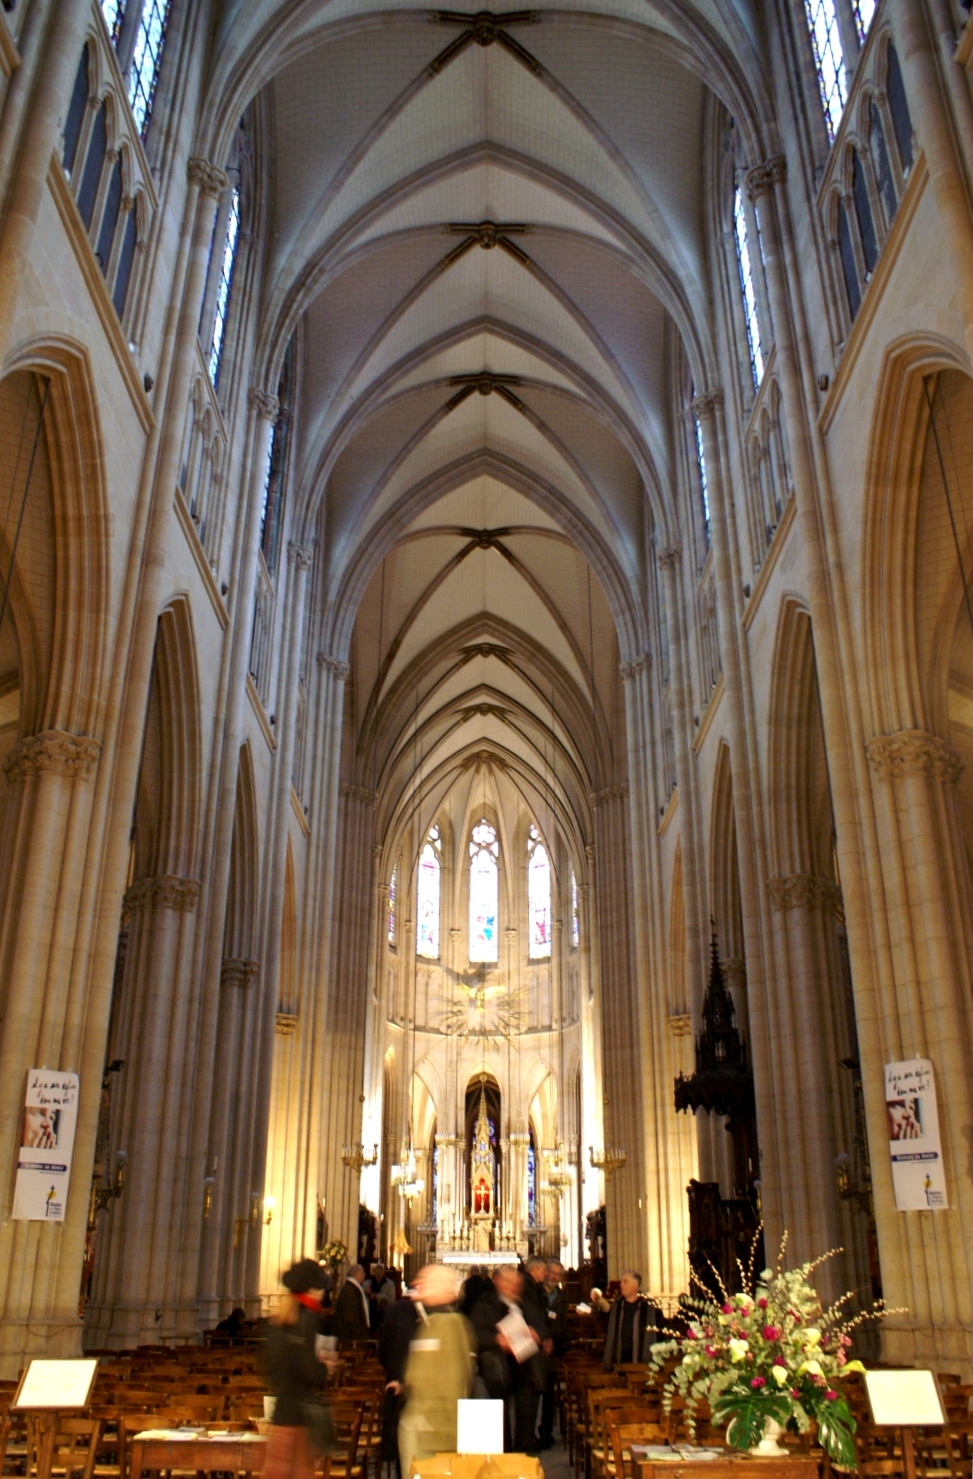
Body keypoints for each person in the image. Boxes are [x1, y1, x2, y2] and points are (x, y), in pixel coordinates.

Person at [263, 1258, 338, 1479]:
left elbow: (271, 1367)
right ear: (313, 1289)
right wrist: (325, 1368)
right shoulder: (308, 1319)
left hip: (281, 1414)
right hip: (301, 1417)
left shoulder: (277, 1322)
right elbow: (307, 1370)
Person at [397, 1264, 475, 1475]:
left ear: (442, 1288)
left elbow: (454, 1381)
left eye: (425, 1282)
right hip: (421, 1426)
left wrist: (444, 1433)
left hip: (432, 1430)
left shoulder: (449, 1324)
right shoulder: (432, 1321)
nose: (417, 1286)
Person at [471, 1266, 540, 1453]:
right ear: (498, 1282)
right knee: (500, 1421)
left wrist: (537, 1334)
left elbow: (542, 1328)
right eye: (508, 1282)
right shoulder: (485, 1304)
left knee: (526, 1417)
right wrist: (495, 1340)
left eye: (516, 1284)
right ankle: (503, 1456)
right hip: (498, 1371)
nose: (513, 1287)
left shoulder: (527, 1304)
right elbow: (474, 1334)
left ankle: (523, 1455)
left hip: (526, 1370)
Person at [377, 1283, 421, 1475]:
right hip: (411, 1389)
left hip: (398, 1381)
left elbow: (382, 1351)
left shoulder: (394, 1311)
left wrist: (394, 1370)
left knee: (399, 1438)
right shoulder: (431, 1313)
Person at [536, 1259, 569, 1448]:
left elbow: (563, 1327)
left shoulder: (562, 1298)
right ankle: (528, 1433)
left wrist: (556, 1345)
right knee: (531, 1394)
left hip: (552, 1353)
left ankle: (545, 1432)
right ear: (546, 1272)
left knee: (549, 1395)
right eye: (553, 1273)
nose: (555, 1277)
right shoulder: (534, 1292)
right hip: (534, 1350)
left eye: (559, 1274)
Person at [601, 1270, 663, 1370]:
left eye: (625, 1282)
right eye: (621, 1282)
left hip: (643, 1364)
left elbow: (660, 1334)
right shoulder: (616, 1306)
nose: (621, 1285)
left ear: (635, 1286)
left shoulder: (650, 1308)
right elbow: (609, 1332)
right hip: (620, 1362)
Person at [333, 1263, 371, 1343]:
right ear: (356, 1273)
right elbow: (351, 1317)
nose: (364, 1275)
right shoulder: (350, 1291)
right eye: (362, 1273)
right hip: (350, 1339)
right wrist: (359, 1337)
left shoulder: (352, 1289)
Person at [364, 1263, 396, 1330]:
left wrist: (377, 1296)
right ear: (374, 1273)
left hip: (383, 1314)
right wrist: (365, 1291)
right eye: (376, 1272)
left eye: (380, 1273)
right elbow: (361, 1293)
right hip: (370, 1313)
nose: (378, 1274)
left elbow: (392, 1299)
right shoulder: (368, 1282)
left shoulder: (390, 1284)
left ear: (383, 1273)